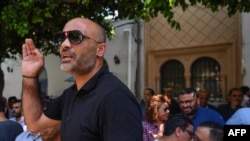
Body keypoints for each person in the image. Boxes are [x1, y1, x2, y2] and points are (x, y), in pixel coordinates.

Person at [21, 17, 142, 141]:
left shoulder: (115, 98)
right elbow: (34, 124)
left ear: (100, 50)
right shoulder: (70, 95)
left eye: (76, 37)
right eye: (61, 38)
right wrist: (29, 75)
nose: (64, 44)